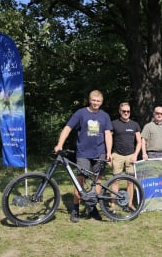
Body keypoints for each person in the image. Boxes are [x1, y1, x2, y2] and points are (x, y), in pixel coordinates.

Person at [54, 90, 113, 223]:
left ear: (101, 102)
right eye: (93, 100)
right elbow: (68, 128)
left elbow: (108, 134)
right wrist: (59, 144)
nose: (96, 103)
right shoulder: (81, 113)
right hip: (83, 153)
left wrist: (109, 152)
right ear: (89, 100)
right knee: (79, 180)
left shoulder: (104, 116)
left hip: (100, 153)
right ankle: (75, 208)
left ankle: (93, 207)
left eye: (98, 101)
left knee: (97, 180)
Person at [110, 102, 142, 210]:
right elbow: (108, 139)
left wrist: (136, 155)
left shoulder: (135, 125)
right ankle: (113, 205)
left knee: (130, 181)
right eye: (124, 111)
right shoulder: (113, 124)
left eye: (128, 111)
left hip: (131, 156)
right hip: (117, 155)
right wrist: (109, 154)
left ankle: (129, 204)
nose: (126, 113)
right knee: (115, 181)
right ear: (120, 111)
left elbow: (139, 141)